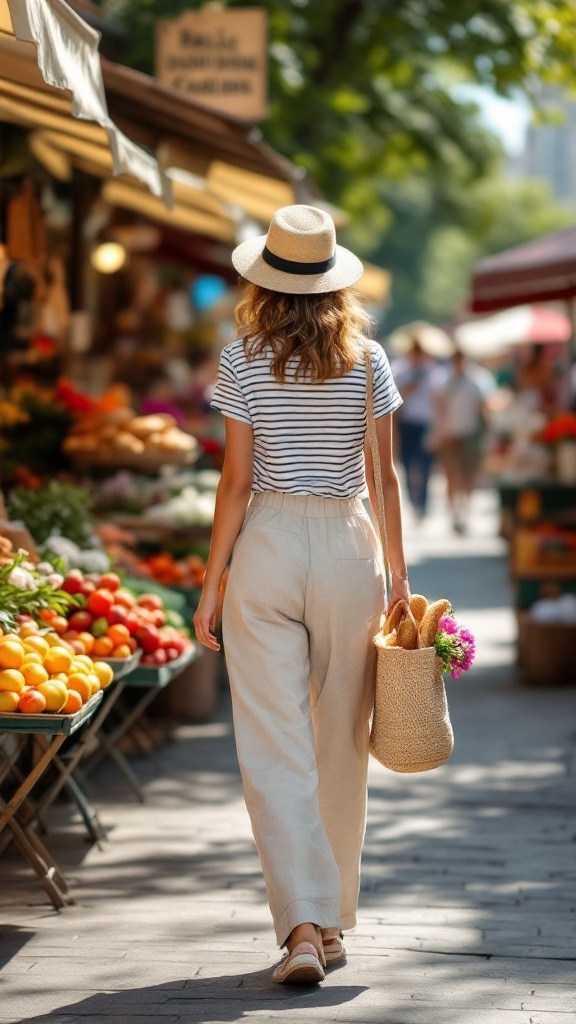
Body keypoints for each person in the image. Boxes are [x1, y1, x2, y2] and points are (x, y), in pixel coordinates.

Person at [193, 205, 409, 985]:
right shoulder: (370, 358)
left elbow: (235, 481)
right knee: (339, 743)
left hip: (270, 546)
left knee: (273, 747)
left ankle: (304, 928)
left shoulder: (242, 357)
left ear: (265, 280)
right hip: (353, 548)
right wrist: (402, 582)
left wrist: (212, 581)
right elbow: (384, 478)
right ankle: (330, 918)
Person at [431, 349, 493, 534]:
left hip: (470, 434)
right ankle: (454, 513)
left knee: (468, 475)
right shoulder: (444, 380)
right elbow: (438, 406)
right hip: (450, 435)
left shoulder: (477, 380)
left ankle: (464, 510)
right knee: (451, 475)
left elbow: (483, 406)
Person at [391, 337, 437, 519]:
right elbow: (393, 397)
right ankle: (413, 502)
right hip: (407, 424)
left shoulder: (433, 371)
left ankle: (423, 505)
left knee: (425, 466)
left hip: (426, 424)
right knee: (408, 465)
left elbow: (438, 399)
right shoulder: (400, 370)